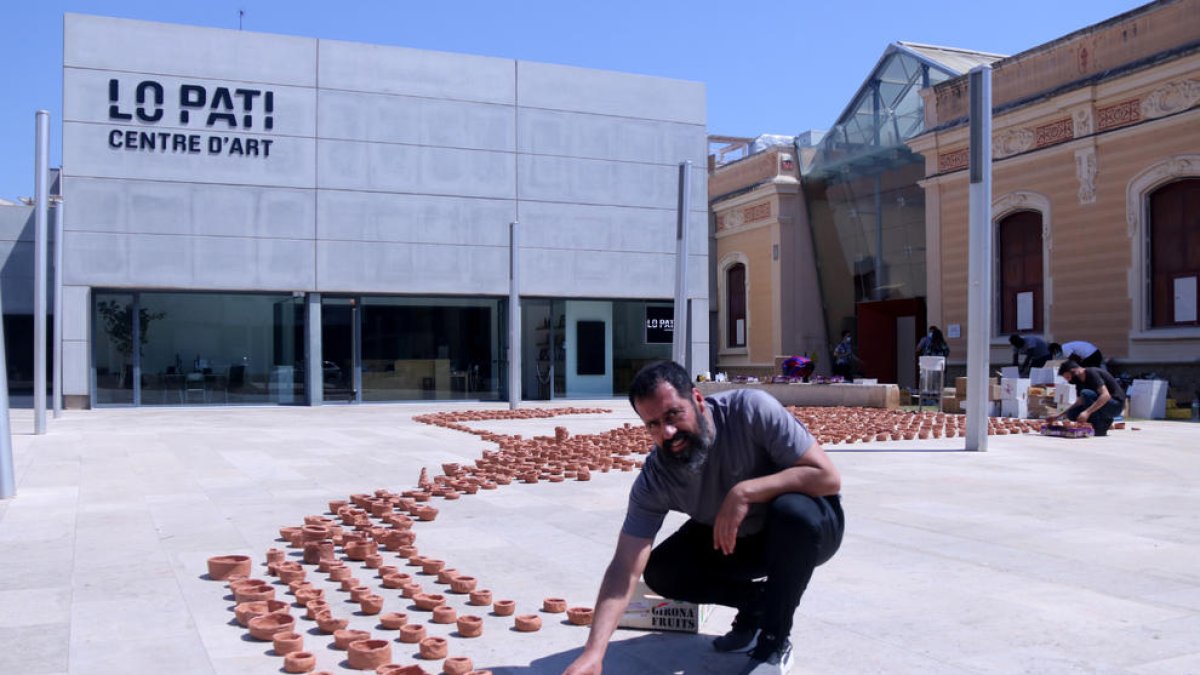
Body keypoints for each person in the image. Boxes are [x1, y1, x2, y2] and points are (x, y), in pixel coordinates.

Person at [563, 361, 844, 675]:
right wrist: (594, 652)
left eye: (673, 415)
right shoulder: (657, 476)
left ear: (697, 400)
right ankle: (758, 605)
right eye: (653, 424)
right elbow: (624, 567)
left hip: (812, 527)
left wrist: (746, 491)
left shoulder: (750, 410)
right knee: (662, 570)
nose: (667, 432)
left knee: (793, 513)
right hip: (741, 539)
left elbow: (827, 477)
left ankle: (774, 641)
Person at [1047, 361, 1126, 436]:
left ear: (1073, 371)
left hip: (1115, 405)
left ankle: (1100, 427)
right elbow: (1079, 402)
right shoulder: (1078, 381)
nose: (1069, 380)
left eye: (1068, 377)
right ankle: (1102, 422)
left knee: (1086, 393)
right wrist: (1058, 415)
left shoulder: (1091, 373)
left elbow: (1106, 395)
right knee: (1072, 413)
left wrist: (1087, 412)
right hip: (1104, 405)